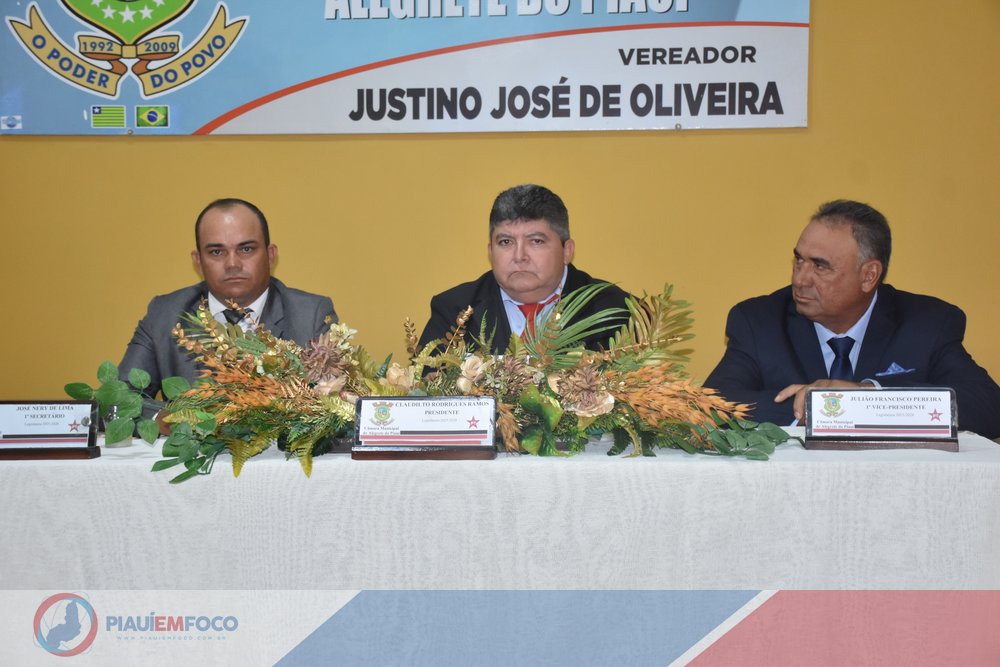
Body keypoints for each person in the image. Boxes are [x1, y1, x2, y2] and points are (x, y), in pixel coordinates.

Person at [705, 199, 1000, 438]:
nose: (800, 279)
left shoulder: (926, 324)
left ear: (869, 275)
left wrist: (868, 397)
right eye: (799, 260)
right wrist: (822, 409)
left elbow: (988, 406)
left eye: (820, 266)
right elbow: (712, 407)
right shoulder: (759, 322)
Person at [119, 198, 337, 399]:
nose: (232, 264)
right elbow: (120, 400)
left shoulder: (310, 316)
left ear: (270, 255)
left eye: (246, 249)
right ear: (198, 261)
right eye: (217, 252)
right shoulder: (165, 314)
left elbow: (332, 405)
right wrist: (165, 419)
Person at [418, 184, 631, 353]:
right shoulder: (454, 310)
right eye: (506, 242)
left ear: (567, 250)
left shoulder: (617, 311)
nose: (519, 256)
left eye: (536, 241)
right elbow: (426, 386)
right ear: (491, 252)